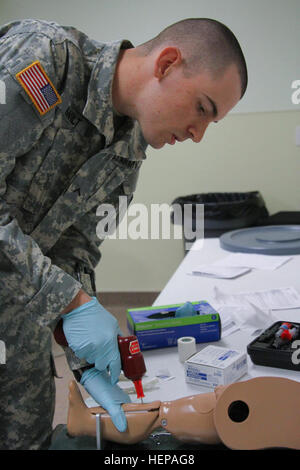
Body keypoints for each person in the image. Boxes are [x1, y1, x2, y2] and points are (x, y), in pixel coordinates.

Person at [0, 17, 247, 449]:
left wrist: (85, 358)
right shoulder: (45, 60)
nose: (197, 135)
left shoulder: (128, 154)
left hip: (19, 327)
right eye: (202, 109)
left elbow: (77, 252)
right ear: (167, 63)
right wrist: (71, 301)